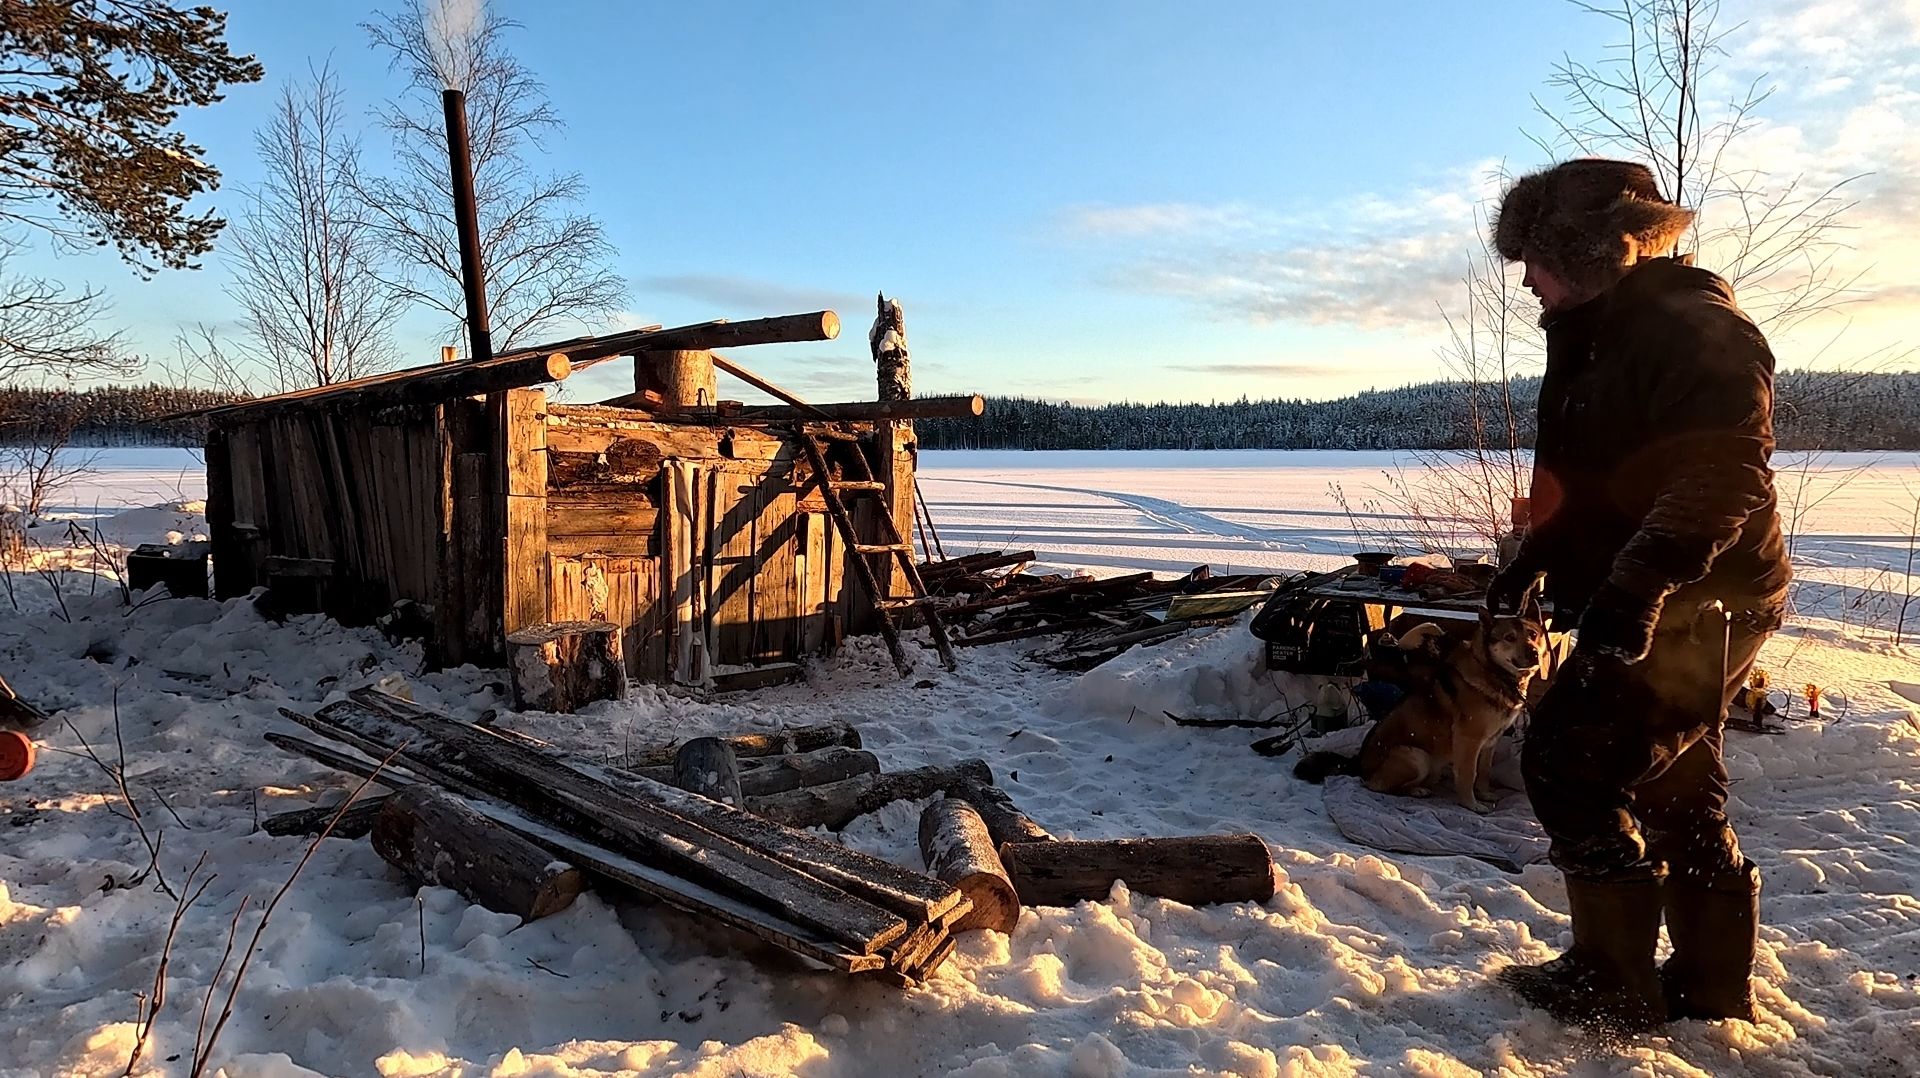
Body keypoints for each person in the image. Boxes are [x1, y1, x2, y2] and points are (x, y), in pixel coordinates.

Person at [1482, 158, 1792, 1033]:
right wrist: (1535, 550)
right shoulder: (1594, 334)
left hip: (1702, 595)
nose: (1527, 283)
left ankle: (1611, 978)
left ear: (1588, 253)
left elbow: (1719, 477)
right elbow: (1588, 473)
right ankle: (1708, 986)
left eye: (1536, 262)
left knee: (1569, 760)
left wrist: (1634, 587)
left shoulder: (1695, 329)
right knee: (1676, 780)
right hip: (1659, 590)